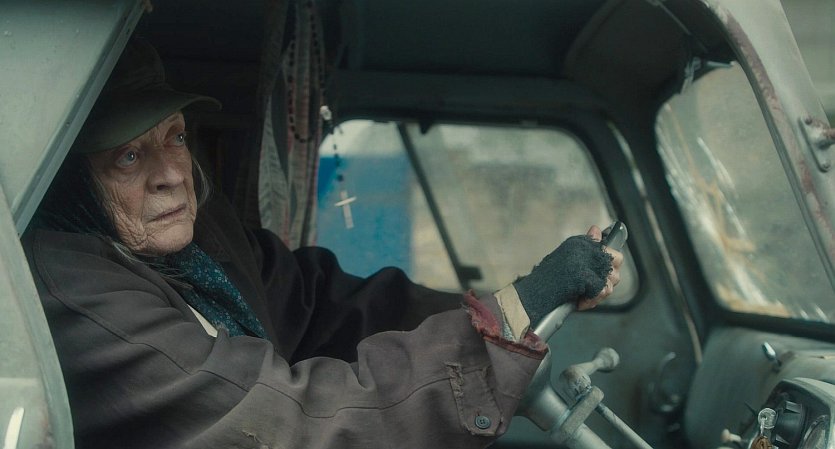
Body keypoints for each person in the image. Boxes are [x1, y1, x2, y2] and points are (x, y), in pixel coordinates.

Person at [24, 39, 622, 449]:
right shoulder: (75, 298)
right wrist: (491, 340)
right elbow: (286, 424)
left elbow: (321, 304)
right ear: (71, 181)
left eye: (175, 138)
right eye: (129, 156)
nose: (170, 175)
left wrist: (508, 310)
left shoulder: (195, 240)